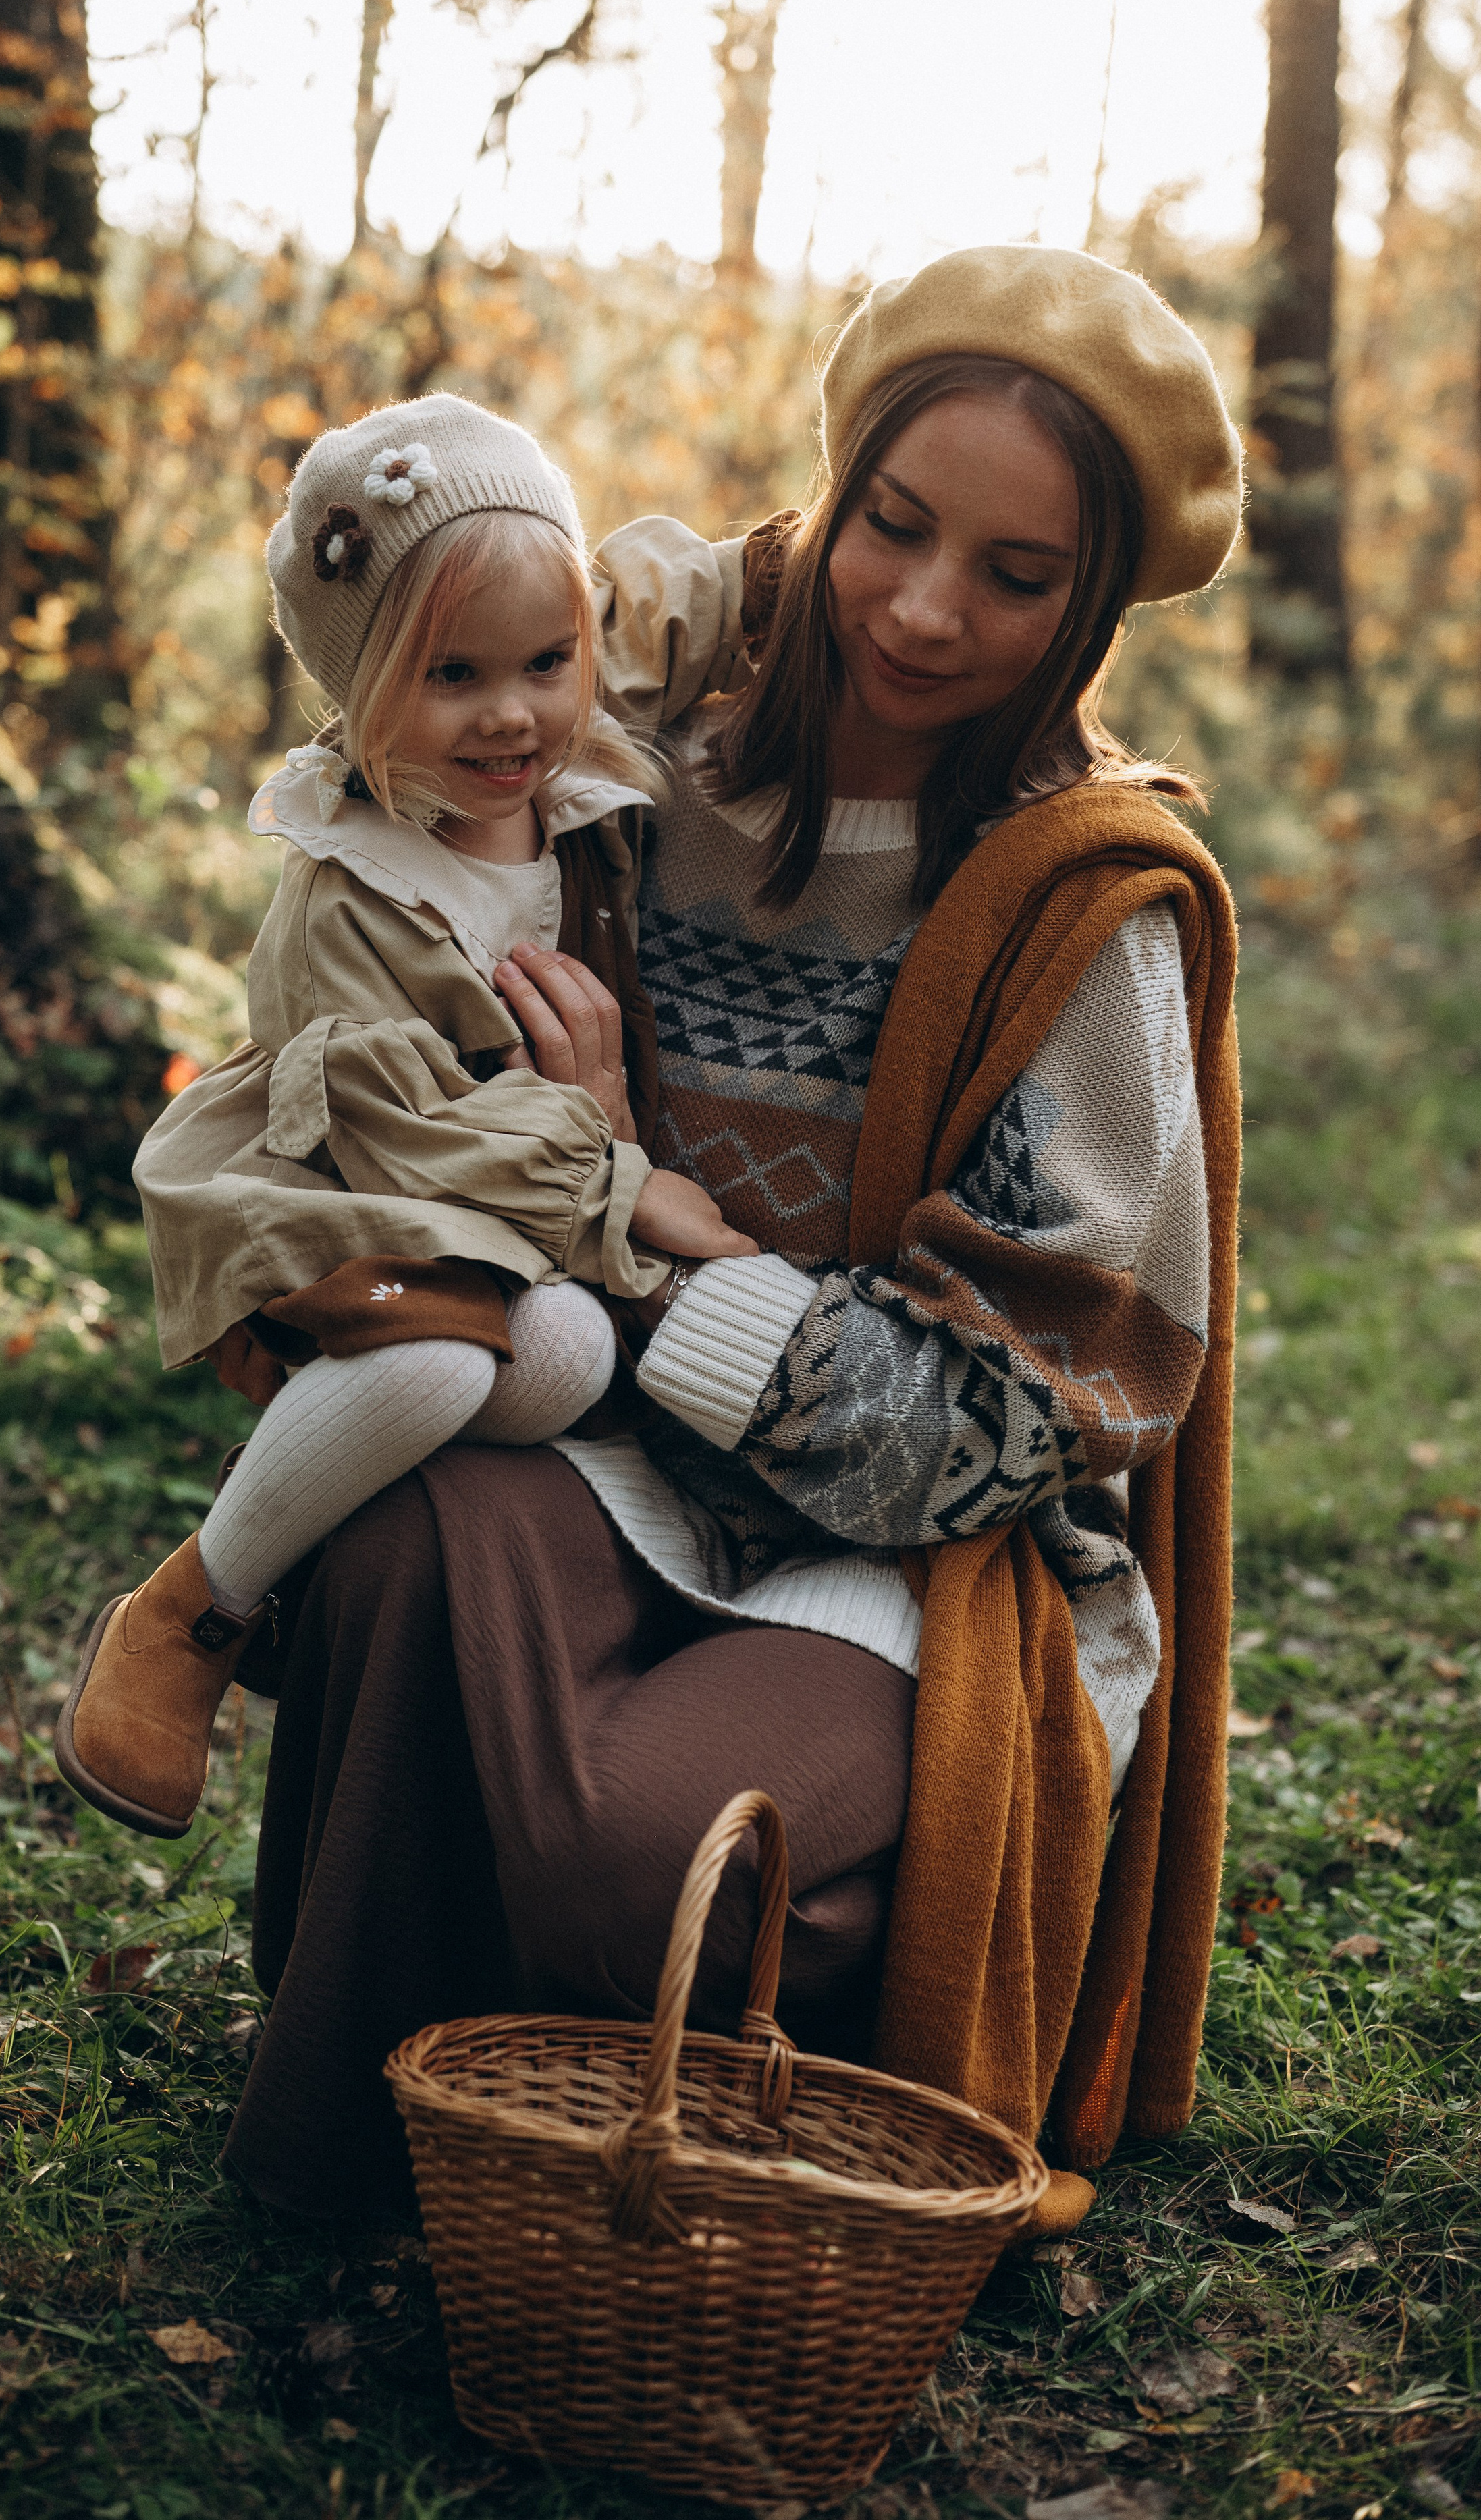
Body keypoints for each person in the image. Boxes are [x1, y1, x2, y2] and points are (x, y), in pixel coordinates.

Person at [219, 246, 1245, 2238]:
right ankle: (382, 2167)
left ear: (1093, 600)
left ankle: (644, 2054)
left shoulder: (1081, 910)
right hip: (603, 1447)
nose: (928, 608)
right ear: (836, 484)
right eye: (894, 523)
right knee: (400, 1538)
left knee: (629, 1850)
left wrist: (638, 1228)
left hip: (910, 1562)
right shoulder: (616, 759)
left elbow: (1003, 1420)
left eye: (1018, 575)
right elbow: (386, 935)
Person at [53, 395, 754, 1843]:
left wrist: (823, 557)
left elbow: (674, 602)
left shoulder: (553, 704)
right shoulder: (347, 890)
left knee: (557, 1352)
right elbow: (408, 1129)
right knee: (445, 1362)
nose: (511, 713)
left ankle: (341, 1518)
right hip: (361, 1186)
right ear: (363, 678)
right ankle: (196, 1603)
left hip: (507, 1212)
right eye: (449, 676)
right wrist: (617, 1180)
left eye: (545, 664)